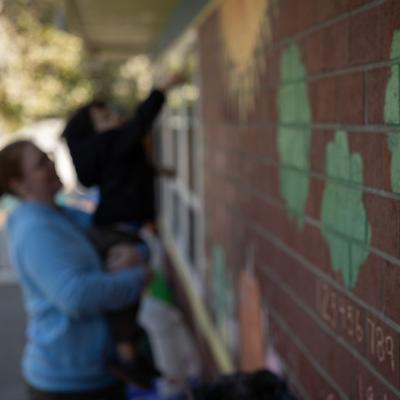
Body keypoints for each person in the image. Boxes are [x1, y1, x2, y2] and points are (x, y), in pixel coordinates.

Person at [0, 140, 152, 400]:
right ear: (19, 185)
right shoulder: (35, 230)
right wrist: (139, 277)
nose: (51, 164)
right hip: (66, 385)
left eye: (47, 157)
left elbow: (125, 237)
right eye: (40, 164)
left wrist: (137, 253)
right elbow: (77, 296)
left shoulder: (65, 214)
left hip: (98, 372)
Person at [62, 74, 183, 227]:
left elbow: (124, 172)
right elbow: (140, 121)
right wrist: (162, 89)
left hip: (118, 222)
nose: (116, 117)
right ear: (93, 135)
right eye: (106, 118)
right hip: (125, 225)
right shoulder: (107, 143)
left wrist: (157, 171)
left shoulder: (107, 151)